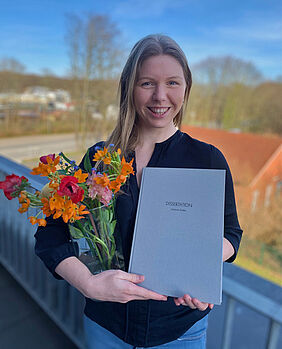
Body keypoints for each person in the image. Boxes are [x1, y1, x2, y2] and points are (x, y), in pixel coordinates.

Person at [35, 34, 243, 348]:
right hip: (106, 328)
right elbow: (50, 233)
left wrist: (199, 271)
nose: (161, 96)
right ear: (129, 88)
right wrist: (89, 285)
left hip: (180, 332)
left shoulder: (207, 158)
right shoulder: (99, 159)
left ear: (186, 88)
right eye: (147, 83)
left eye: (172, 82)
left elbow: (230, 233)